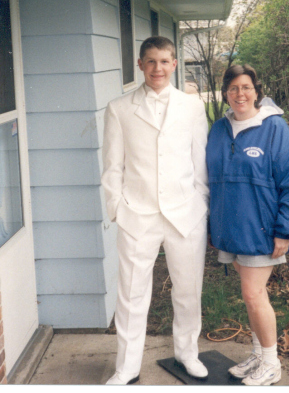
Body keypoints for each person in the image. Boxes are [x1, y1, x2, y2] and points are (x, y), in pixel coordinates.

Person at [102, 36, 209, 384]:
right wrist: (117, 208)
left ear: (175, 64)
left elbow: (200, 161)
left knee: (188, 290)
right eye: (151, 62)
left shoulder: (192, 107)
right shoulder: (119, 108)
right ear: (140, 65)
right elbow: (112, 167)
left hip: (185, 214)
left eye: (164, 61)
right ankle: (127, 366)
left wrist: (201, 204)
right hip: (138, 215)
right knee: (131, 295)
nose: (158, 69)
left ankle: (187, 353)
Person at [206, 64, 289, 386]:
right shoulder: (218, 129)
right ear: (225, 92)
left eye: (246, 88)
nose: (240, 94)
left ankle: (271, 362)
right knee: (253, 295)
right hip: (230, 228)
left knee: (253, 294)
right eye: (233, 88)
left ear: (257, 91)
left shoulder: (275, 130)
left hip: (262, 229)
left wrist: (286, 229)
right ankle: (258, 352)